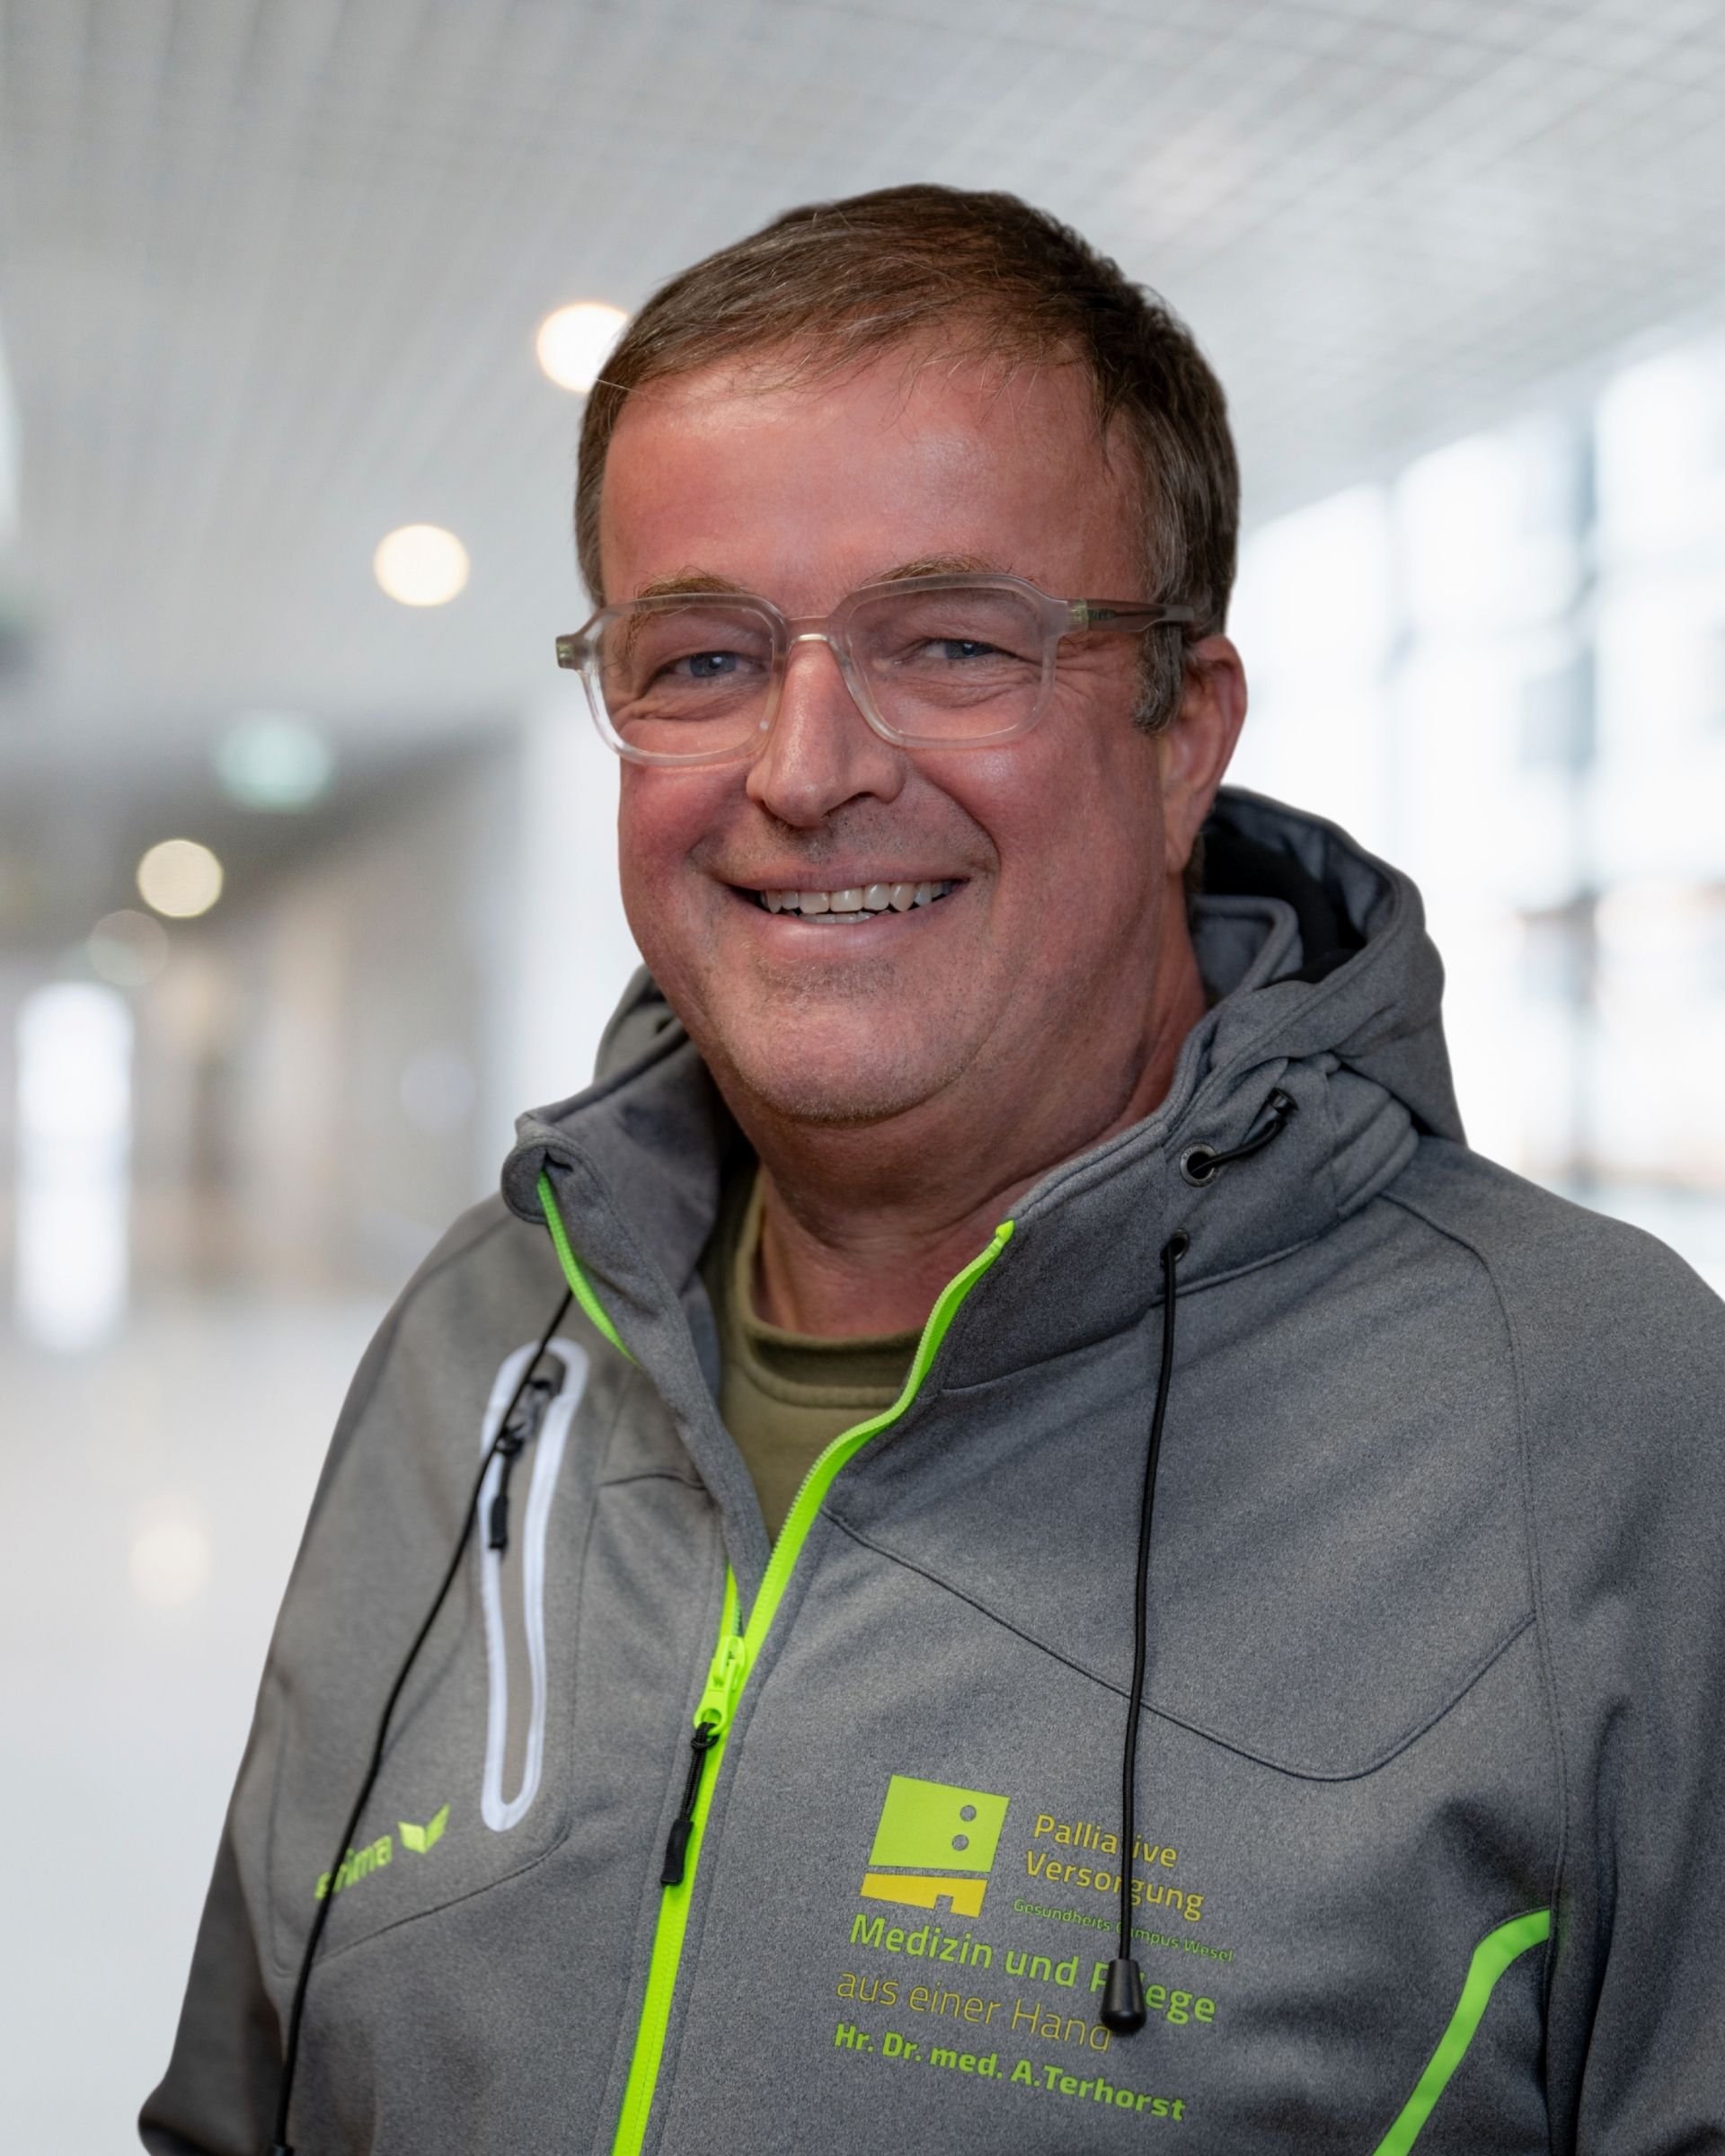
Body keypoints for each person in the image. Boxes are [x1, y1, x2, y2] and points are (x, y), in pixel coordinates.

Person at [143, 186, 1725, 2156]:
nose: (806, 769)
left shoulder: (1607, 1432)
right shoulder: (483, 1336)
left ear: (1183, 733)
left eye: (955, 643)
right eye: (701, 659)